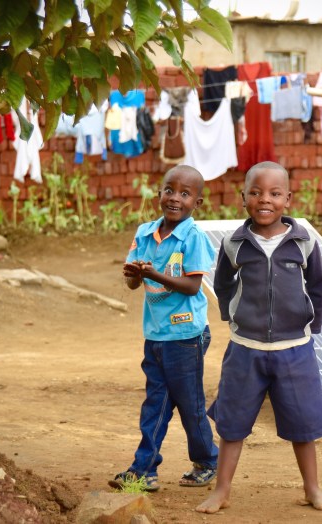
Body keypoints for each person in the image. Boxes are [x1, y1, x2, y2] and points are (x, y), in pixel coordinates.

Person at [196, 161, 322, 513]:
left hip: (295, 350)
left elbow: (317, 285)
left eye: (274, 193)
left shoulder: (303, 241)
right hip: (246, 349)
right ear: (243, 197)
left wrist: (311, 325)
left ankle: (312, 488)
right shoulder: (234, 243)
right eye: (256, 192)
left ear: (288, 199)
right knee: (232, 423)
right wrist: (234, 316)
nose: (265, 200)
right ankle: (222, 490)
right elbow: (223, 284)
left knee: (303, 425)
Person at [110, 165, 218, 492]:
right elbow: (133, 284)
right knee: (155, 404)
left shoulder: (193, 238)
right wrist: (135, 274)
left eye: (185, 194)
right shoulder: (145, 233)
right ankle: (144, 470)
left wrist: (153, 274)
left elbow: (192, 286)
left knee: (189, 404)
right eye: (169, 190)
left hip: (186, 336)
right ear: (159, 194)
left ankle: (208, 460)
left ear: (197, 203)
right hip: (156, 334)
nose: (175, 198)